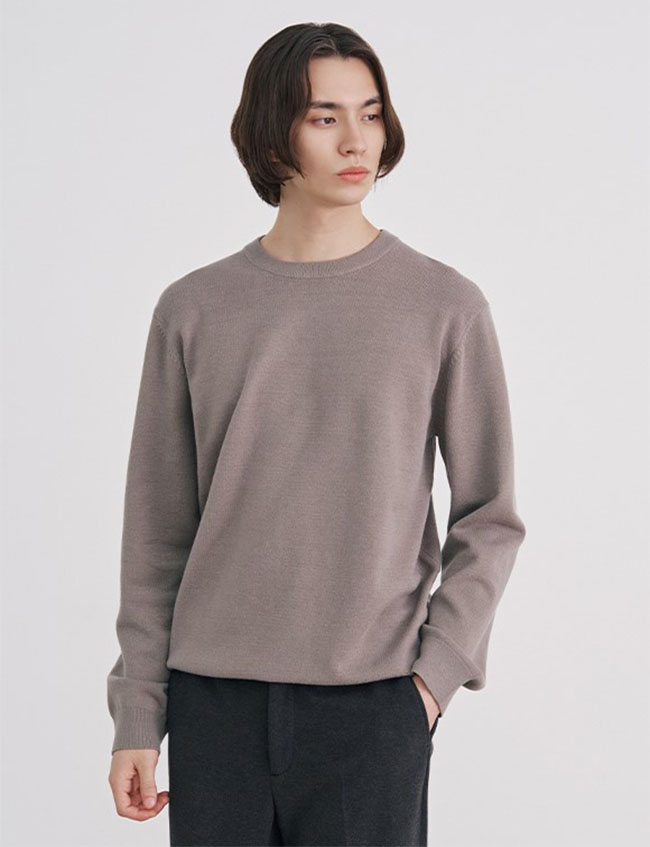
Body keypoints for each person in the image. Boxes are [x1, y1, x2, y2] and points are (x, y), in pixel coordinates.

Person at [107, 20, 526, 847]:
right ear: (273, 134)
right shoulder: (193, 309)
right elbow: (158, 530)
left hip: (374, 708)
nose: (356, 140)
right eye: (324, 116)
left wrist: (431, 682)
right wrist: (138, 712)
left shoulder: (443, 306)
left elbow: (491, 516)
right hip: (213, 705)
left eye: (370, 113)